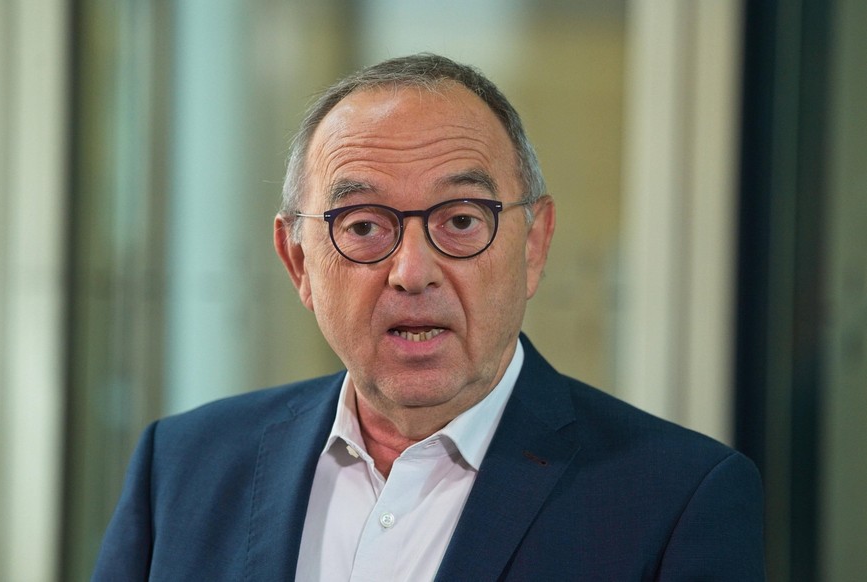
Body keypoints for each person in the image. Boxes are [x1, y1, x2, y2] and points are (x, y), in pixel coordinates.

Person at [93, 53, 765, 581]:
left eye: (462, 220)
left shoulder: (675, 498)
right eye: (362, 225)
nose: (412, 271)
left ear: (533, 244)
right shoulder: (182, 468)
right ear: (297, 261)